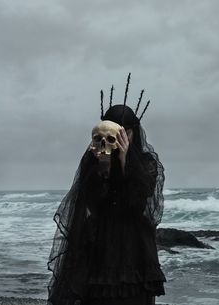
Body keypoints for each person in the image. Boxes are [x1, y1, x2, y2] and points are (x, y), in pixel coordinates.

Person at [47, 75, 166, 305]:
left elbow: (137, 203)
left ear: (133, 133)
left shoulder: (146, 163)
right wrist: (102, 168)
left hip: (134, 245)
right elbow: (92, 203)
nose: (120, 141)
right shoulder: (93, 160)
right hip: (100, 242)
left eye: (125, 134)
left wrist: (123, 162)